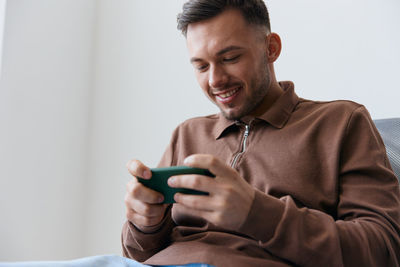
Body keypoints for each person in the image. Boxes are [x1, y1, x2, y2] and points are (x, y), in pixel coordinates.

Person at [122, 1, 400, 266]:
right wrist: (144, 224)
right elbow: (136, 253)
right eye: (201, 66)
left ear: (271, 48)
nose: (215, 80)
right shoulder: (187, 133)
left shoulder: (341, 123)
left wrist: (255, 212)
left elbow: (382, 251)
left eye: (230, 58)